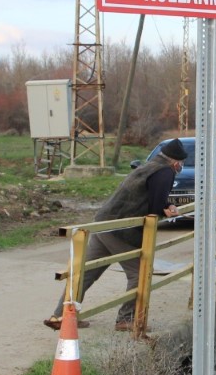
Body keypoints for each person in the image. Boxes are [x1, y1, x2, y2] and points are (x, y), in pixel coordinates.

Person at [45, 138, 187, 330]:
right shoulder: (165, 172)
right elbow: (154, 207)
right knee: (139, 274)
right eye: (181, 164)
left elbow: (150, 197)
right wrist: (165, 210)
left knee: (85, 273)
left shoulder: (148, 167)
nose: (181, 167)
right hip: (120, 230)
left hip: (104, 222)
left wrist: (165, 206)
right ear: (176, 162)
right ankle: (126, 319)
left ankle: (60, 316)